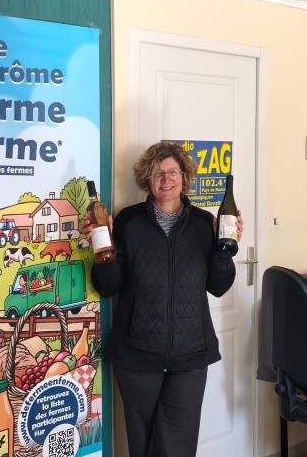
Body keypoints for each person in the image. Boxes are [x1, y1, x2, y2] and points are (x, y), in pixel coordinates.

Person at [90, 142, 243, 457]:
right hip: (137, 354)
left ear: (184, 177)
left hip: (191, 354)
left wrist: (223, 252)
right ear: (147, 179)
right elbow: (108, 287)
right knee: (142, 443)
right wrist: (103, 253)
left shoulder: (204, 223)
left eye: (173, 172)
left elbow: (218, 286)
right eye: (157, 173)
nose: (166, 180)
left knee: (178, 447)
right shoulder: (128, 221)